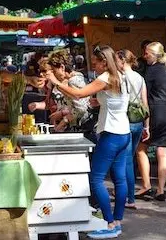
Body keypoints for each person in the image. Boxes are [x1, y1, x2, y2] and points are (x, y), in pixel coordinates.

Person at [46, 45, 130, 239]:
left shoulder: (104, 78)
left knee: (96, 179)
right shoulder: (120, 76)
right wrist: (99, 102)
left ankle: (109, 224)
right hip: (123, 132)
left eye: (95, 62)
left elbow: (78, 94)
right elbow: (114, 100)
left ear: (103, 61)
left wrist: (54, 82)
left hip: (110, 133)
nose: (94, 66)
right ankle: (117, 222)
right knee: (120, 178)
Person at [137, 42, 166, 201]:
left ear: (155, 55)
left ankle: (146, 185)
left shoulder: (151, 71)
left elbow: (144, 95)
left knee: (141, 149)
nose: (145, 56)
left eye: (147, 54)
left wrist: (146, 123)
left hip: (154, 113)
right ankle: (160, 190)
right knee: (162, 153)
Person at [116, 49, 149, 210]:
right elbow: (145, 103)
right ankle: (127, 194)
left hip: (125, 121)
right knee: (130, 158)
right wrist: (147, 125)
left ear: (123, 60)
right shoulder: (140, 78)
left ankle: (129, 197)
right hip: (138, 121)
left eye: (117, 59)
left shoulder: (121, 78)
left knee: (127, 160)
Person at [46, 50, 91, 132]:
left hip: (82, 129)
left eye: (54, 70)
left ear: (62, 67)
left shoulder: (73, 81)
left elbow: (81, 109)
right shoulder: (79, 77)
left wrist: (64, 121)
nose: (54, 74)